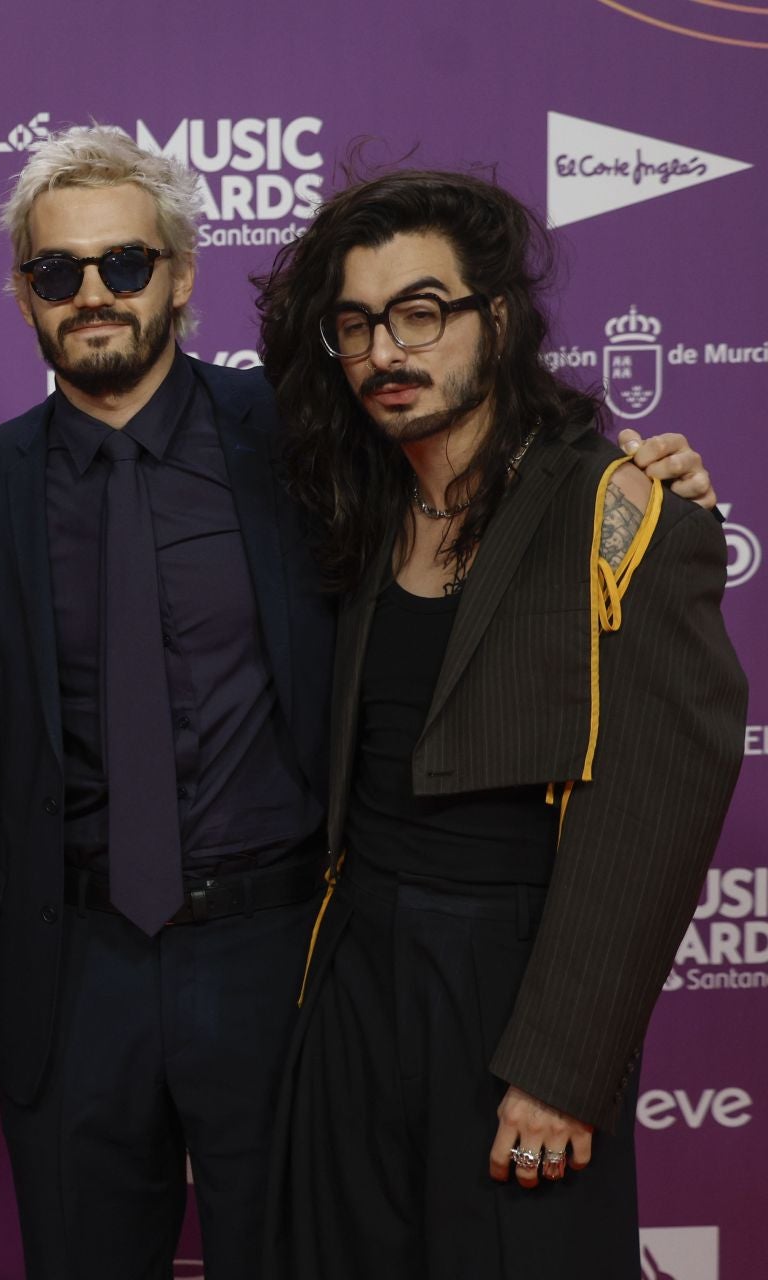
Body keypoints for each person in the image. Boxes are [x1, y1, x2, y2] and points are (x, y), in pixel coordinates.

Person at [0, 127, 718, 1280]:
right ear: (21, 292)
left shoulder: (291, 438)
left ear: (180, 273)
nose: (92, 292)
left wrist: (654, 488)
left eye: (124, 263)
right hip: (92, 972)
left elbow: (650, 808)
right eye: (56, 270)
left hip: (283, 964)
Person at [255, 170, 746, 1279]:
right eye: (357, 323)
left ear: (499, 319)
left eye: (422, 311)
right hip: (353, 981)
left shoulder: (621, 513)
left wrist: (565, 1067)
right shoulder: (360, 502)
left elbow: (658, 815)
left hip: (514, 989)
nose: (388, 349)